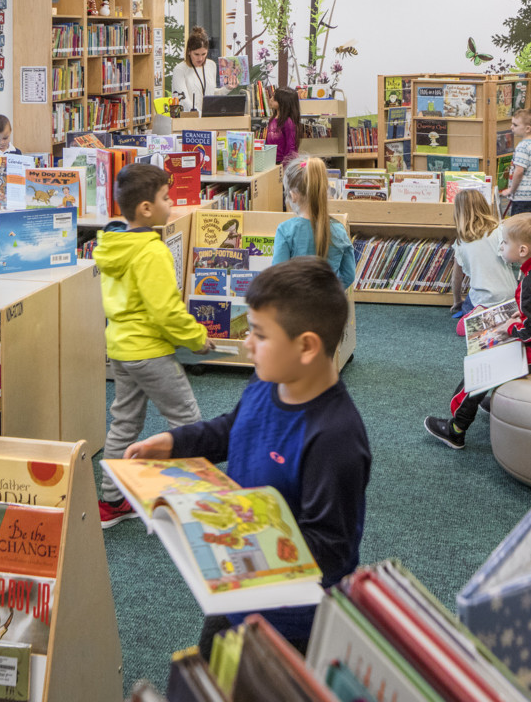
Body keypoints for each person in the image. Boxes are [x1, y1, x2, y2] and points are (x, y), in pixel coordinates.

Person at [125, 257, 370, 653]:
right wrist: (176, 443)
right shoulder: (267, 381)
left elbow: (332, 547)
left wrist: (233, 541)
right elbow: (233, 428)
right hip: (237, 590)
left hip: (289, 624)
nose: (245, 343)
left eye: (258, 333)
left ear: (306, 346)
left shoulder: (335, 438)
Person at [92, 163, 216, 528]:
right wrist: (196, 339)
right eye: (166, 197)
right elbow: (165, 311)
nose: (172, 202)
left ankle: (111, 503)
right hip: (150, 352)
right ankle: (193, 498)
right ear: (146, 208)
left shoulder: (114, 246)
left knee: (124, 424)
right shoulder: (151, 252)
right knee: (188, 420)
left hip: (121, 349)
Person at [425, 213, 531, 450]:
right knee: (490, 351)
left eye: (504, 243)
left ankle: (456, 429)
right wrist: (521, 318)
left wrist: (512, 326)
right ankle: (482, 403)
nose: (500, 247)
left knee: (483, 368)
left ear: (523, 250)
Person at [274, 155, 356, 288]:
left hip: (296, 306)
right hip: (329, 305)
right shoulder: (339, 230)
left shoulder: (285, 230)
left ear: (293, 195)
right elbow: (349, 275)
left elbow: (277, 277)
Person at [449, 188, 518, 335]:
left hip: (485, 299)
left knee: (465, 313)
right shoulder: (501, 230)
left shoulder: (461, 243)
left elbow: (457, 278)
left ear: (458, 213)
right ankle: (508, 317)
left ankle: (487, 317)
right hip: (511, 296)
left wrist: (457, 301)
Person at [500, 108, 531, 216]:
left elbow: (519, 171)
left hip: (524, 197)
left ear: (527, 128)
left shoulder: (522, 147)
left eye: (515, 125)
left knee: (520, 228)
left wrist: (511, 190)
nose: (511, 127)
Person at [170, 26, 219, 113]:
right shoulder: (180, 70)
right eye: (196, 54)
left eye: (203, 54)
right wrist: (200, 116)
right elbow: (184, 101)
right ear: (189, 51)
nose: (200, 58)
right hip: (188, 120)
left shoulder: (211, 65)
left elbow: (211, 93)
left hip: (207, 119)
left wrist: (227, 88)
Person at [265, 87, 303, 166]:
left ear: (283, 102)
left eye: (274, 99)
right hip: (270, 161)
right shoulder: (272, 119)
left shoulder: (288, 122)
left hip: (282, 163)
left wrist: (286, 165)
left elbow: (291, 145)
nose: (271, 99)